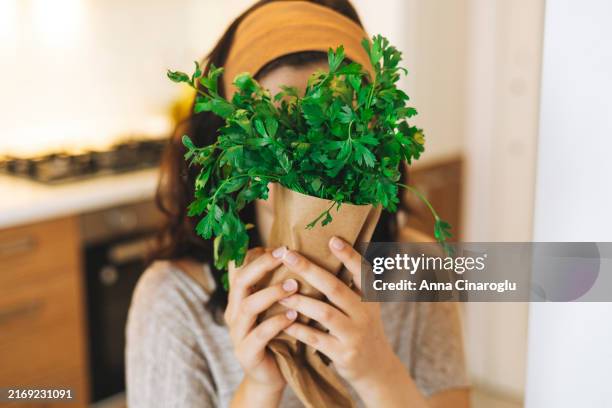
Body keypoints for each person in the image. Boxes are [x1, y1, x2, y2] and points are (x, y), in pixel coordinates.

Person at [126, 1, 470, 407]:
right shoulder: (172, 298)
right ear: (227, 150)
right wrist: (260, 388)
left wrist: (377, 371)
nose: (308, 171)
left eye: (338, 130)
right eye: (273, 133)